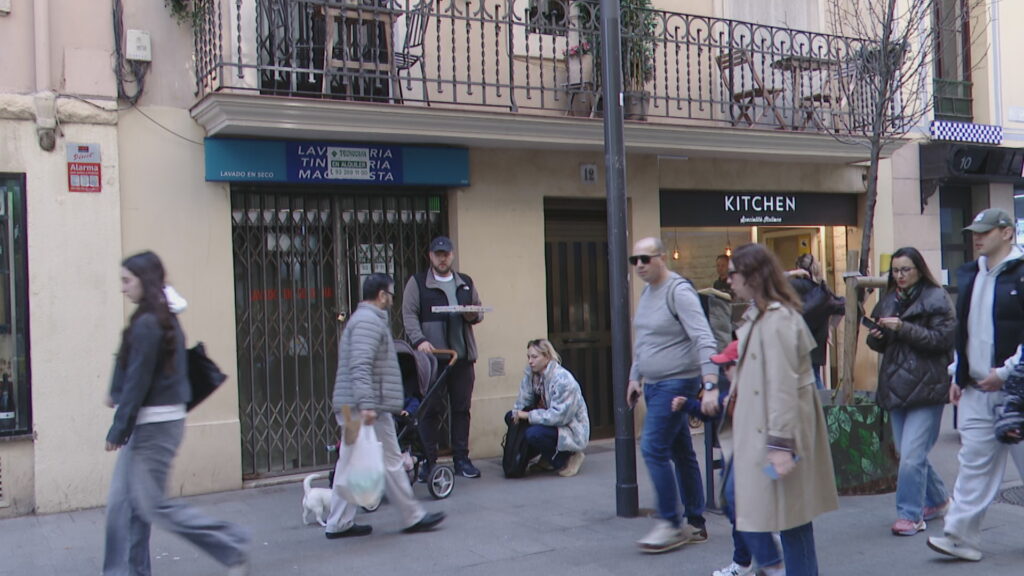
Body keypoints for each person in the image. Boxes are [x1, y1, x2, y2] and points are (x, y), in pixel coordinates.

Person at [103, 251, 250, 576]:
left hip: (153, 427)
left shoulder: (150, 322)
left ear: (145, 280)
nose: (123, 288)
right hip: (151, 423)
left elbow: (139, 380)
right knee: (124, 507)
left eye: (127, 280)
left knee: (153, 506)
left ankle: (231, 544)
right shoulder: (157, 317)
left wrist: (118, 428)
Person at [726, 243, 838, 576]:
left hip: (778, 432)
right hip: (765, 429)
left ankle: (774, 565)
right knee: (766, 509)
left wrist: (780, 444)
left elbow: (783, 387)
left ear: (753, 276)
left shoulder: (778, 319)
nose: (729, 280)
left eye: (734, 273)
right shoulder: (763, 314)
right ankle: (771, 564)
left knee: (791, 519)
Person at [927, 208, 1024, 562]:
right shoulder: (972, 274)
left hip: (1015, 390)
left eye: (985, 231)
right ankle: (960, 536)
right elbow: (965, 332)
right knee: (972, 463)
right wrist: (958, 372)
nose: (976, 237)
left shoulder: (1021, 275)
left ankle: (960, 536)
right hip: (977, 388)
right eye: (974, 231)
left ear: (1007, 233)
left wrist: (1008, 370)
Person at [326, 273, 445, 539]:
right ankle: (411, 517)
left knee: (358, 461)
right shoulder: (368, 322)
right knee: (382, 461)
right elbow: (360, 365)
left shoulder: (365, 320)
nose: (392, 299)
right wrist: (367, 405)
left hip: (360, 406)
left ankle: (339, 523)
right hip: (363, 407)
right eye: (391, 294)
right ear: (382, 295)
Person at [625, 237, 719, 553]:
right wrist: (635, 377)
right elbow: (645, 341)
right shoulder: (647, 292)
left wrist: (709, 384)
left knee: (652, 447)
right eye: (634, 259)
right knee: (681, 451)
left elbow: (704, 337)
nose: (639, 264)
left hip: (676, 383)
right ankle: (695, 523)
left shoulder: (679, 292)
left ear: (662, 258)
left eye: (645, 258)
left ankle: (669, 522)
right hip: (653, 384)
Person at [864, 247, 955, 536]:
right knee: (908, 454)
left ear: (919, 269)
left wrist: (902, 327)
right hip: (896, 385)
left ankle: (910, 515)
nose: (900, 276)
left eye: (905, 269)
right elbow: (881, 344)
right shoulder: (889, 299)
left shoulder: (936, 297)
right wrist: (877, 337)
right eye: (895, 270)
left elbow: (942, 340)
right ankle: (939, 499)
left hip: (928, 386)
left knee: (913, 455)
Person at [402, 236, 485, 480]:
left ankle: (462, 459)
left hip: (462, 358)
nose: (442, 258)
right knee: (431, 410)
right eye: (437, 254)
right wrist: (420, 341)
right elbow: (408, 315)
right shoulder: (418, 283)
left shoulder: (465, 282)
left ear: (452, 255)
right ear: (430, 256)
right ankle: (429, 461)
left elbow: (478, 311)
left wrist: (472, 315)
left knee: (462, 409)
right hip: (433, 360)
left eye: (446, 254)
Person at [507, 339, 590, 477]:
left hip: (570, 428)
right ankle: (547, 457)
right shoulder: (531, 375)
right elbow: (523, 401)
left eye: (534, 357)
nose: (530, 361)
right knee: (510, 417)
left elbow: (560, 417)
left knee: (533, 434)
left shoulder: (563, 379)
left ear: (547, 357)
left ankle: (570, 457)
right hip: (548, 421)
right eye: (528, 357)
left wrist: (528, 416)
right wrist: (516, 414)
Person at [789, 253, 844, 389]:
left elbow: (768, 282)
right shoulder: (822, 290)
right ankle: (823, 407)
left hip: (796, 339)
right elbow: (842, 307)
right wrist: (830, 328)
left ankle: (820, 407)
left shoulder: (790, 285)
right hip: (817, 339)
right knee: (814, 376)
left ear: (798, 267)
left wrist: (790, 273)